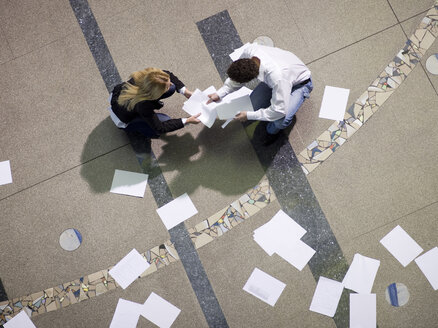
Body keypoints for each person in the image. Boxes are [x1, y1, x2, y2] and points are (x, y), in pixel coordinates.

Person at [207, 43, 312, 144]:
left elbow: (279, 111)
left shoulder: (277, 78)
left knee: (280, 120)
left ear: (252, 78)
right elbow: (236, 79)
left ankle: (271, 132)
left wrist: (248, 116)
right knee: (253, 104)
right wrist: (220, 93)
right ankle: (272, 101)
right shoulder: (250, 52)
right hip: (283, 75)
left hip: (300, 84)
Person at [108, 68, 200, 138]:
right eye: (166, 87)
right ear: (154, 94)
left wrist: (185, 91)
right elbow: (160, 128)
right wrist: (187, 121)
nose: (171, 84)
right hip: (124, 118)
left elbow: (167, 75)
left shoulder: (149, 76)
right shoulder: (143, 105)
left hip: (124, 99)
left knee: (173, 88)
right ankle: (139, 131)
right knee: (163, 121)